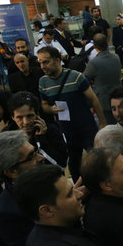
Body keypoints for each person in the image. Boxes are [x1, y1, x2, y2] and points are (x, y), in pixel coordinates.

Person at [13, 164, 118, 246]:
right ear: (47, 210)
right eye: (69, 194)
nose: (80, 194)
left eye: (73, 189)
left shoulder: (51, 232)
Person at [37, 46, 106, 181]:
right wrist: (50, 110)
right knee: (74, 165)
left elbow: (93, 100)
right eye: (40, 62)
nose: (42, 66)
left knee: (97, 161)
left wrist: (103, 122)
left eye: (46, 62)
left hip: (86, 128)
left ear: (57, 60)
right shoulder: (43, 82)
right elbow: (44, 104)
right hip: (66, 131)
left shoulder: (76, 77)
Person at [0, 131, 46, 246]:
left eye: (36, 151)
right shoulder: (7, 213)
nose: (41, 158)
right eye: (31, 156)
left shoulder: (46, 179)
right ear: (11, 172)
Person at [8, 91, 68, 168]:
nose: (26, 122)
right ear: (13, 117)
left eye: (30, 116)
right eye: (20, 117)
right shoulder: (9, 136)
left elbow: (61, 165)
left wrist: (41, 139)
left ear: (37, 114)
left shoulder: (51, 131)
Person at [83, 33, 122, 124]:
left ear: (94, 46)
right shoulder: (116, 57)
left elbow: (85, 77)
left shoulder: (94, 62)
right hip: (118, 94)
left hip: (103, 99)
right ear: (107, 43)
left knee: (108, 123)